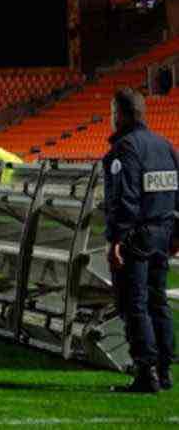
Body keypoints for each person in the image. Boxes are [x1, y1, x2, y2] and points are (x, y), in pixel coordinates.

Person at [102, 88, 175, 393]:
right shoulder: (166, 146)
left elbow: (124, 197)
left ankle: (145, 373)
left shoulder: (124, 149)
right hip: (164, 232)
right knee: (158, 302)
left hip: (136, 237)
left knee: (135, 304)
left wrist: (117, 238)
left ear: (119, 115)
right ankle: (164, 370)